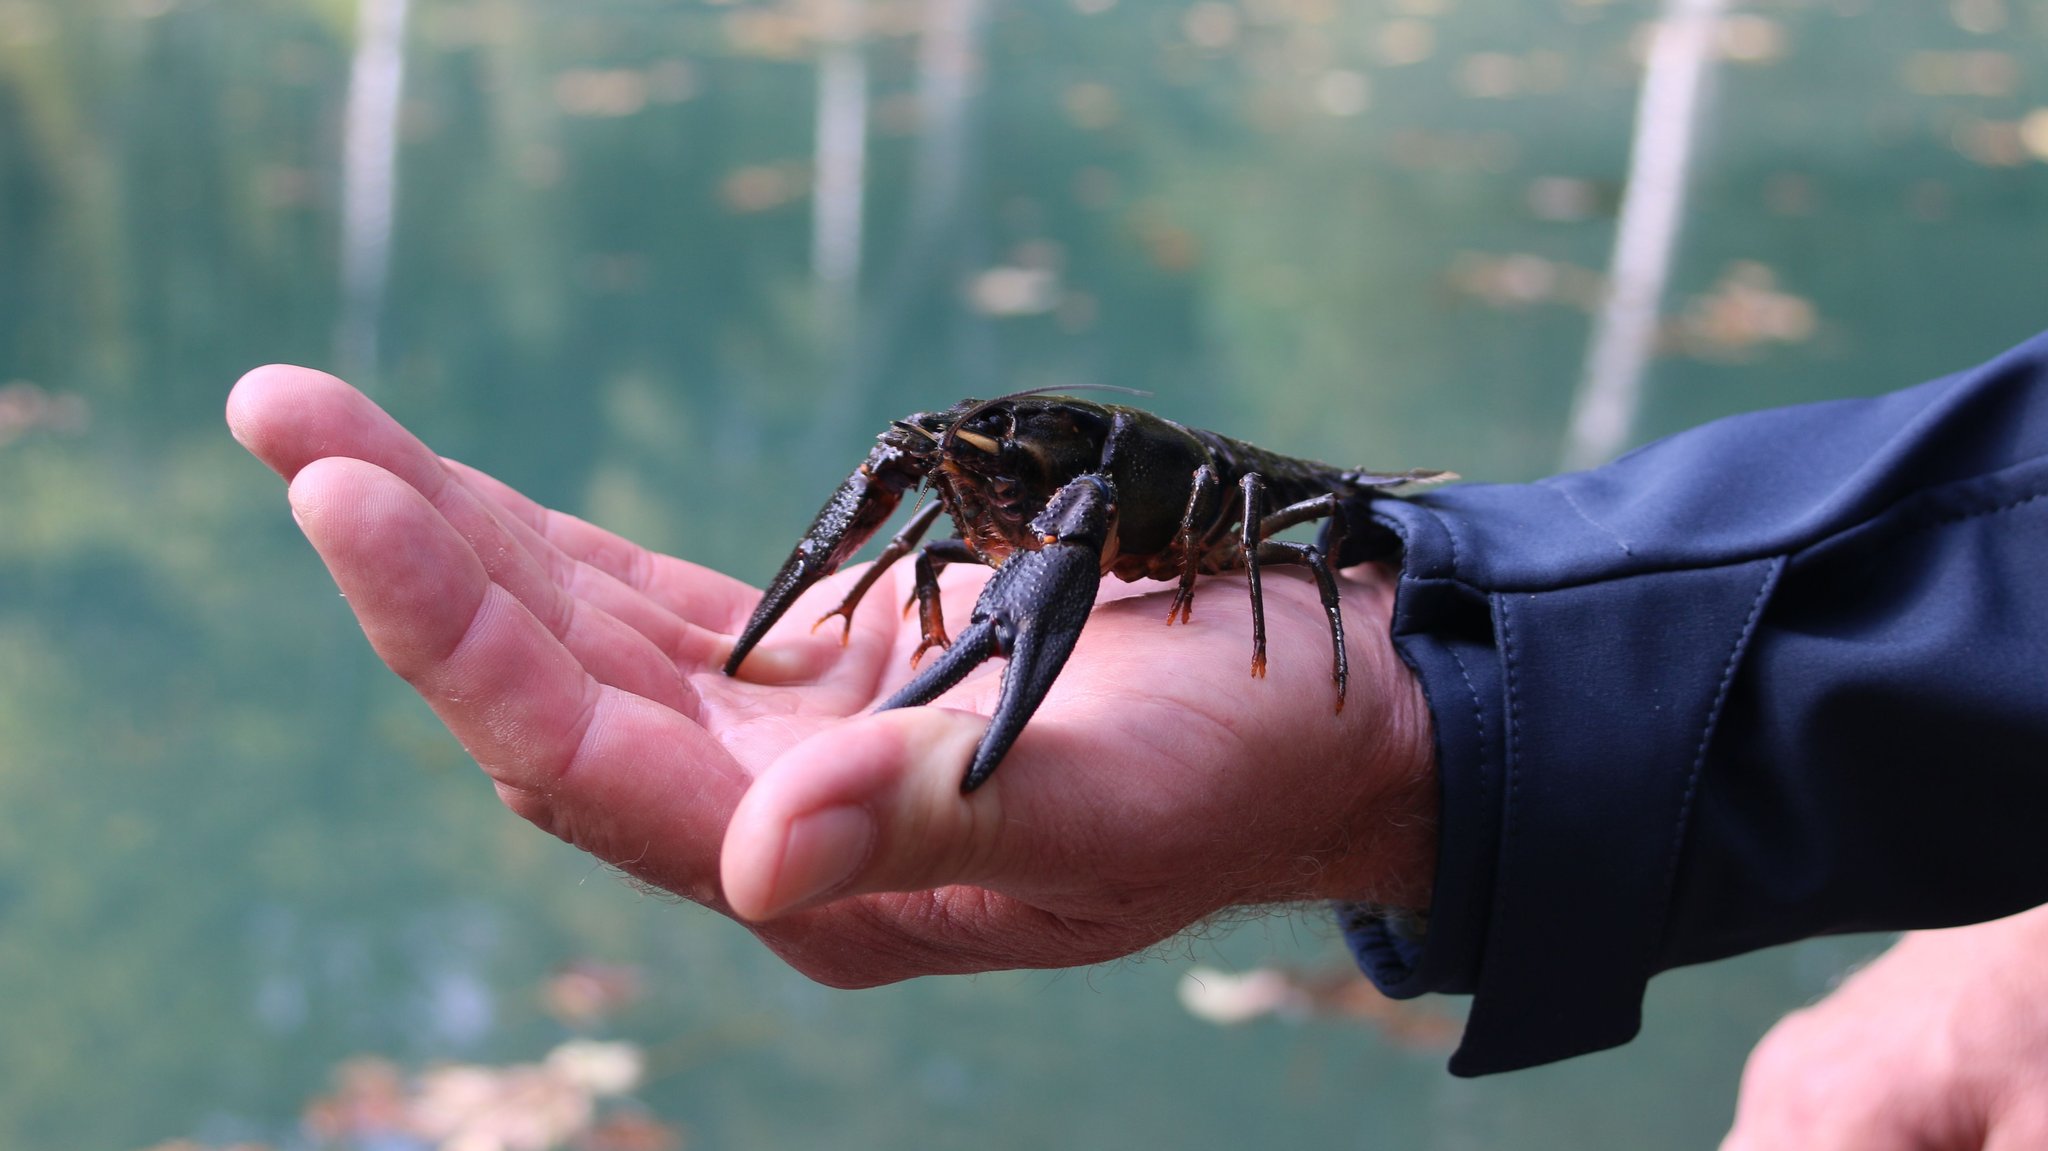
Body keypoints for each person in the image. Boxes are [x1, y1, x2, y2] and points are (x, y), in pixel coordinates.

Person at [228, 331, 2048, 1144]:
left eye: (1017, 472)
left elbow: (1159, 534)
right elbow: (953, 527)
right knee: (955, 532)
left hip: (1245, 517)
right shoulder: (991, 485)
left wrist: (1398, 671)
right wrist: (823, 615)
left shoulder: (1165, 507)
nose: (978, 484)